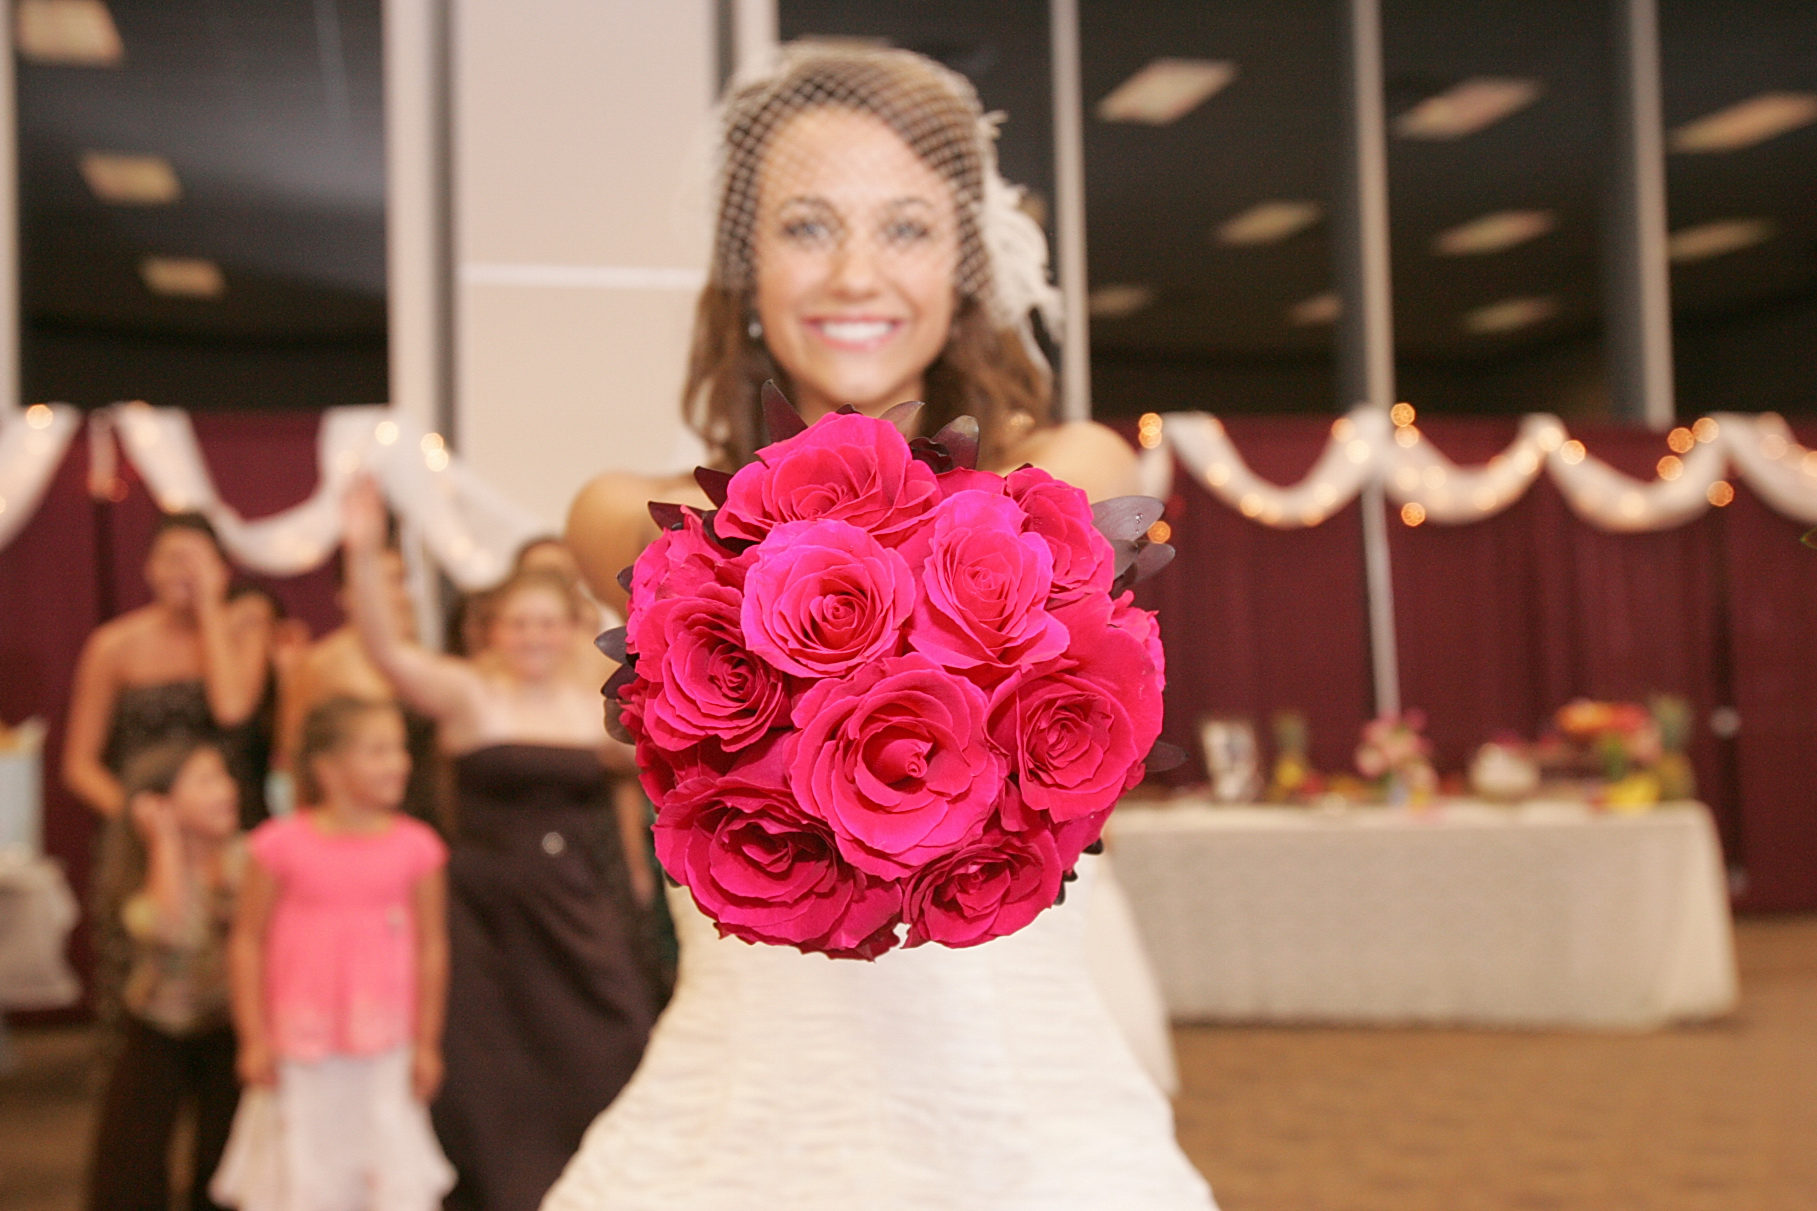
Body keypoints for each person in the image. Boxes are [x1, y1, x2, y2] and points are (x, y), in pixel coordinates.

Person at [551, 44, 1209, 1210]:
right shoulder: (625, 517)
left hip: (1022, 1124)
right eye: (806, 226)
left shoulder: (1072, 473)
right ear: (742, 266)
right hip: (738, 1117)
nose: (856, 273)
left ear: (966, 264)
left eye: (905, 228)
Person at [340, 481, 665, 1211]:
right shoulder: (468, 695)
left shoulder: (592, 702)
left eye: (547, 623)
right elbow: (386, 651)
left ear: (571, 627)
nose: (533, 637)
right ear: (491, 630)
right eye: (518, 624)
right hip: (484, 914)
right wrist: (361, 549)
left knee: (615, 1038)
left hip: (576, 905)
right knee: (489, 1069)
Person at [213, 697, 453, 1211]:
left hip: (386, 1047)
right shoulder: (277, 846)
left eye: (400, 749)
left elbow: (432, 947)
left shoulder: (417, 847)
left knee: (382, 1172)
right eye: (378, 751)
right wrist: (253, 1037)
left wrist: (427, 1043)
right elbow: (247, 942)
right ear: (327, 768)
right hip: (298, 1050)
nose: (398, 763)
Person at [65, 513, 275, 1041]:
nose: (182, 571)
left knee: (232, 977)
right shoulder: (114, 645)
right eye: (171, 558)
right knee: (147, 983)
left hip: (228, 830)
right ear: (148, 569)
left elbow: (232, 709)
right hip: (141, 832)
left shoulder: (244, 630)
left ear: (223, 570)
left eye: (197, 560)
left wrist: (210, 610)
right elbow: (79, 765)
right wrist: (144, 818)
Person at [85, 739, 244, 1211]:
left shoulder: (249, 857)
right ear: (159, 803)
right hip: (159, 1024)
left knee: (225, 1149)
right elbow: (171, 930)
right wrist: (166, 841)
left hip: (231, 1023)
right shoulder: (141, 872)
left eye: (224, 777)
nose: (226, 790)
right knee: (132, 1149)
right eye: (206, 781)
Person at [276, 542, 445, 831]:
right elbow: (296, 757)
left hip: (423, 817)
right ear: (348, 595)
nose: (400, 595)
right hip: (350, 825)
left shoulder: (427, 663)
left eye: (401, 580)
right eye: (386, 581)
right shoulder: (322, 665)